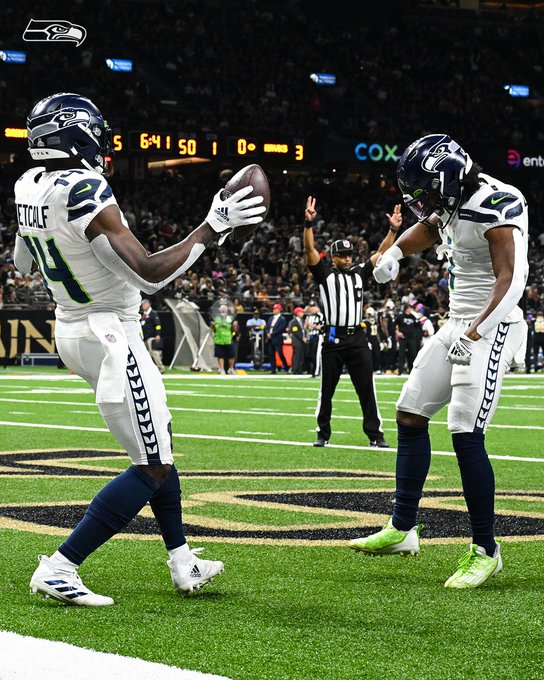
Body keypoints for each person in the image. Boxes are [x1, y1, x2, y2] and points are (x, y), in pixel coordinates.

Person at [15, 92, 266, 606]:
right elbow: (149, 275)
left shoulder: (27, 183)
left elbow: (22, 260)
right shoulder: (84, 187)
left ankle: (182, 559)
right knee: (151, 463)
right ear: (76, 133)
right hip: (110, 334)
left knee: (160, 446)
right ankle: (61, 566)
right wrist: (212, 225)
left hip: (73, 326)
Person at [350, 133, 529, 589]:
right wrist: (392, 251)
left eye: (427, 189)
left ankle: (486, 550)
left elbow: (512, 281)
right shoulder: (450, 201)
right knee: (410, 413)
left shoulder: (499, 202)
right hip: (457, 322)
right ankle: (403, 527)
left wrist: (475, 333)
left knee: (464, 429)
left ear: (449, 176)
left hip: (494, 325)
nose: (423, 201)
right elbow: (430, 227)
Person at [304, 196, 401, 448]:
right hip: (333, 338)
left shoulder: (359, 273)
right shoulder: (325, 274)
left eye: (349, 255)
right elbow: (310, 252)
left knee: (367, 388)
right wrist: (308, 225)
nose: (348, 259)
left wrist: (393, 229)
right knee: (327, 390)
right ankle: (322, 432)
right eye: (343, 256)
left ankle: (375, 435)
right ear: (333, 258)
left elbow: (381, 253)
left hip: (357, 337)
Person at [395, 303, 422, 375]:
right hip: (403, 337)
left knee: (412, 354)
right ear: (406, 308)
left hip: (411, 338)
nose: (411, 310)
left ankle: (412, 371)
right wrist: (398, 333)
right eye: (410, 308)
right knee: (402, 355)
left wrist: (417, 318)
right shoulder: (400, 316)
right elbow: (394, 325)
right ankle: (400, 371)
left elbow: (417, 326)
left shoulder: (413, 317)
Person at [211, 303, 238, 375]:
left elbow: (234, 330)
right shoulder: (216, 318)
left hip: (228, 339)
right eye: (222, 310)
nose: (223, 311)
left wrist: (235, 326)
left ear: (226, 311)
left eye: (224, 310)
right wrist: (212, 326)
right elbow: (213, 329)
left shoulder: (230, 318)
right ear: (219, 311)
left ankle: (231, 368)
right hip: (219, 339)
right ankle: (222, 369)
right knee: (220, 355)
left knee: (232, 355)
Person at [140, 299, 165, 373]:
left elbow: (158, 325)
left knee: (154, 352)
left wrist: (158, 334)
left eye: (144, 305)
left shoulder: (153, 313)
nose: (142, 306)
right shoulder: (144, 314)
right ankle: (148, 369)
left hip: (151, 337)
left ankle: (161, 368)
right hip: (144, 337)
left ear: (148, 305)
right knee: (145, 354)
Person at [266, 303, 289, 373]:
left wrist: (272, 334)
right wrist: (267, 333)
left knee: (280, 354)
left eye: (275, 309)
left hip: (277, 338)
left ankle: (286, 367)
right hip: (270, 339)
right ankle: (273, 370)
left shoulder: (282, 319)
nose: (274, 310)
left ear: (279, 310)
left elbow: (281, 328)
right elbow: (267, 327)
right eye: (273, 309)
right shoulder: (271, 318)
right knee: (271, 354)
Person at [304, 300, 324, 377]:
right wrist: (306, 328)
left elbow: (322, 327)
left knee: (316, 355)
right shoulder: (308, 316)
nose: (311, 309)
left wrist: (313, 326)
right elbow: (306, 328)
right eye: (310, 307)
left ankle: (316, 372)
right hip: (310, 337)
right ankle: (312, 371)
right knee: (309, 355)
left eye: (313, 307)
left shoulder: (320, 316)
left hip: (318, 337)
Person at [288, 306, 307, 374]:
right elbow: (295, 331)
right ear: (297, 313)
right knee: (297, 356)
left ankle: (300, 370)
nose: (303, 313)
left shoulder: (301, 321)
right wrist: (302, 338)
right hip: (297, 341)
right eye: (301, 312)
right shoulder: (294, 322)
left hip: (301, 341)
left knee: (301, 356)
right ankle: (295, 370)